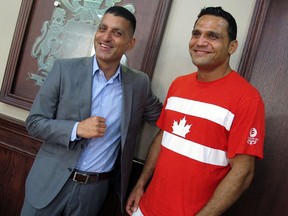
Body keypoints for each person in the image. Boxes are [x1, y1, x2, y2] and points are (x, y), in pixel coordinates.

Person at [21, 6, 162, 216]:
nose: (106, 37)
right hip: (48, 184)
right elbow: (34, 123)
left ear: (130, 43)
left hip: (92, 193)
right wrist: (76, 128)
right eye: (102, 28)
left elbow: (167, 118)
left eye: (117, 32)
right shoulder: (64, 70)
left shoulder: (138, 83)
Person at [126, 6, 265, 216]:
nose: (200, 42)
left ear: (232, 46)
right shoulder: (178, 85)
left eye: (213, 36)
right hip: (145, 208)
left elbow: (243, 173)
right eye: (196, 33)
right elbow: (163, 137)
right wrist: (140, 184)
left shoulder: (247, 98)